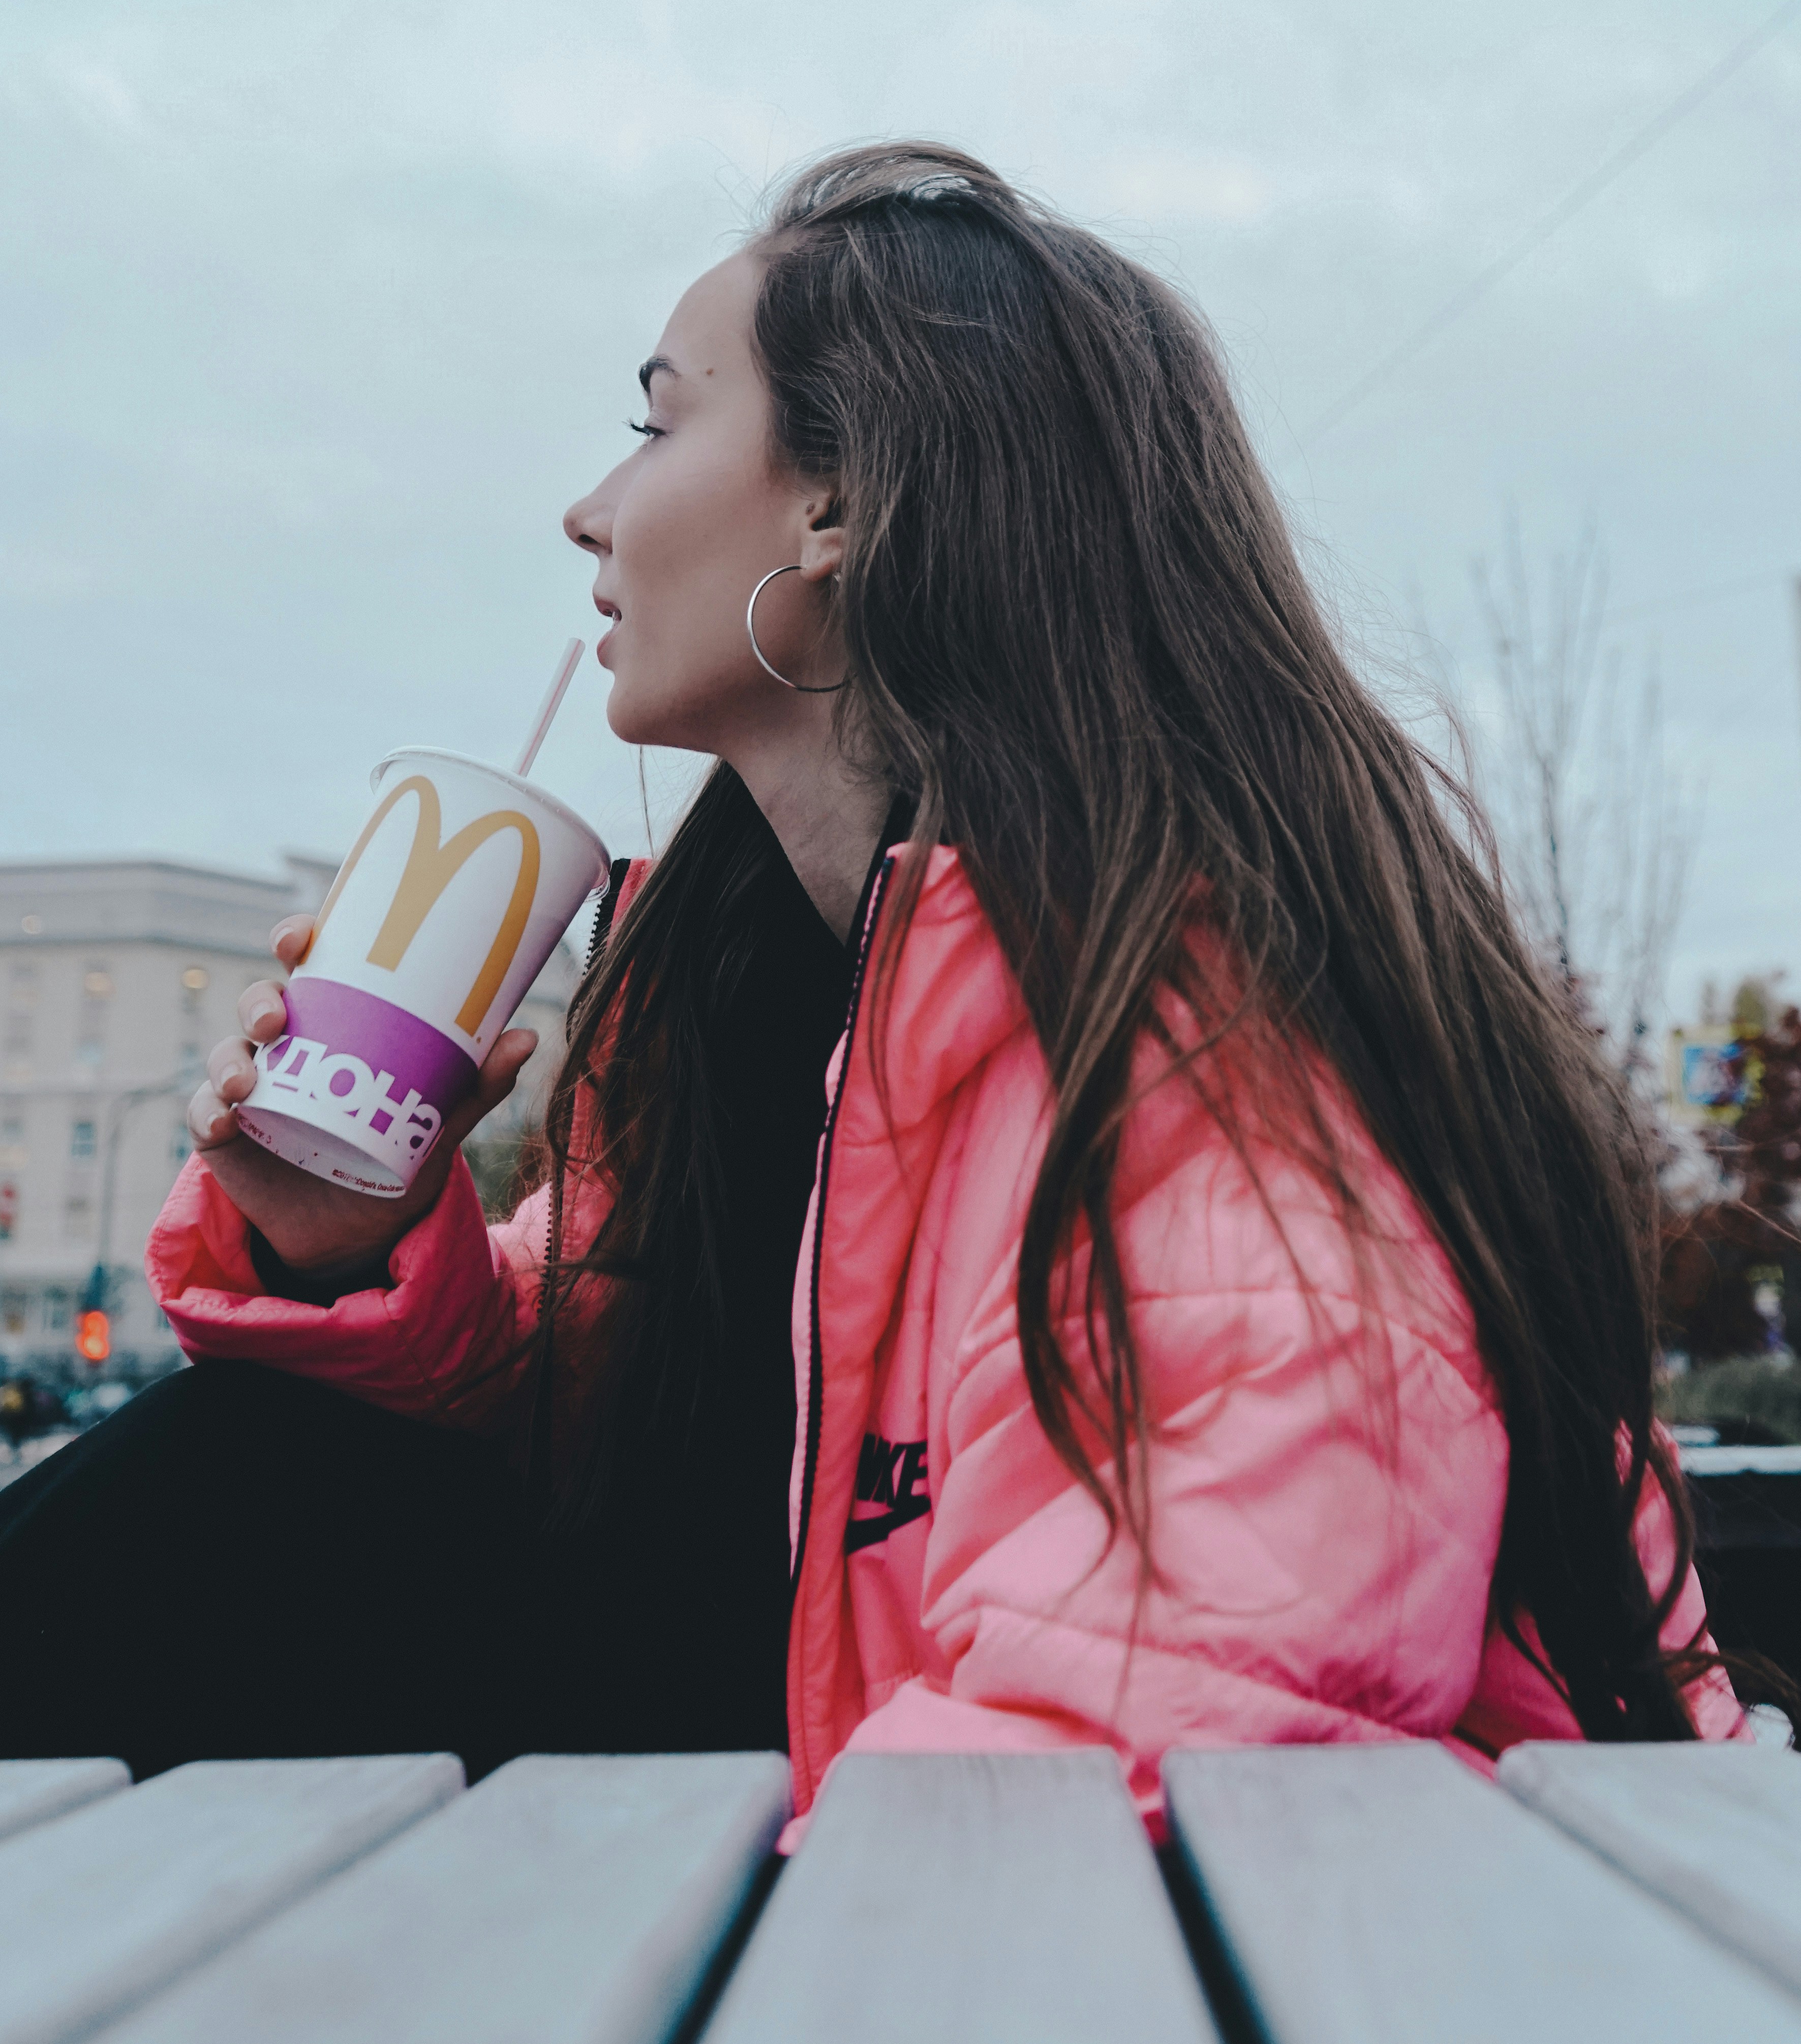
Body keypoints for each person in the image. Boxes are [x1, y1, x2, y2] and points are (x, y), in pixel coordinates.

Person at [0, 141, 1740, 1795]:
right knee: (253, 1476)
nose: (587, 511)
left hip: (1302, 1935)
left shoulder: (1205, 1046)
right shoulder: (764, 977)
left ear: (838, 506)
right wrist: (346, 1237)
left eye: (655, 423)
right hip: (882, 1802)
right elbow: (642, 1398)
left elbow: (1155, 1749)